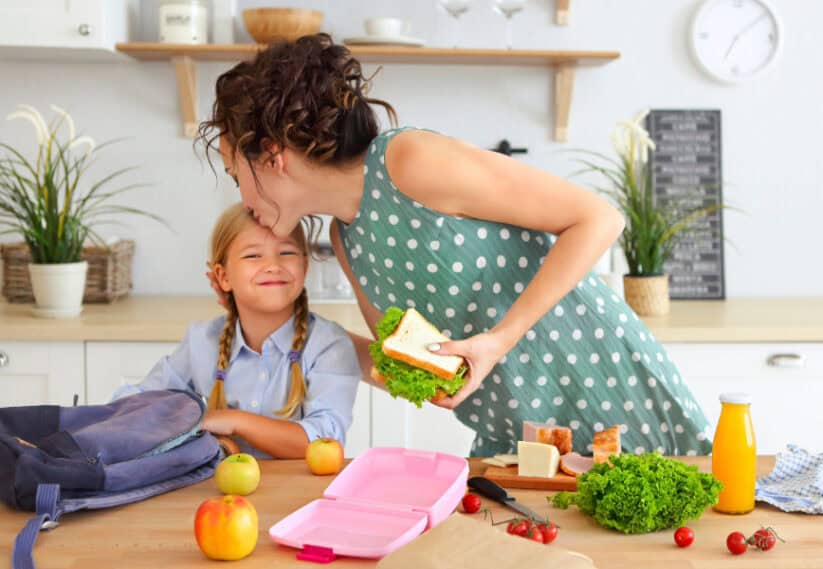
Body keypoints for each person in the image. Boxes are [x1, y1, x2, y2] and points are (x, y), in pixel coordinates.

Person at [197, 34, 712, 457]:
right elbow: (406, 368)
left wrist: (499, 339)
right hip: (516, 438)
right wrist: (289, 330)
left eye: (232, 172)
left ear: (272, 155)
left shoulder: (407, 160)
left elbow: (597, 219)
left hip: (603, 387)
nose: (239, 195)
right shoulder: (346, 240)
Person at [113, 204, 361, 459]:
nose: (273, 265)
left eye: (287, 252)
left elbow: (324, 441)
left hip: (300, 495)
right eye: (253, 256)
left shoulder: (329, 344)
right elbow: (138, 401)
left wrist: (232, 421)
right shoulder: (202, 340)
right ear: (223, 276)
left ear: (305, 268)